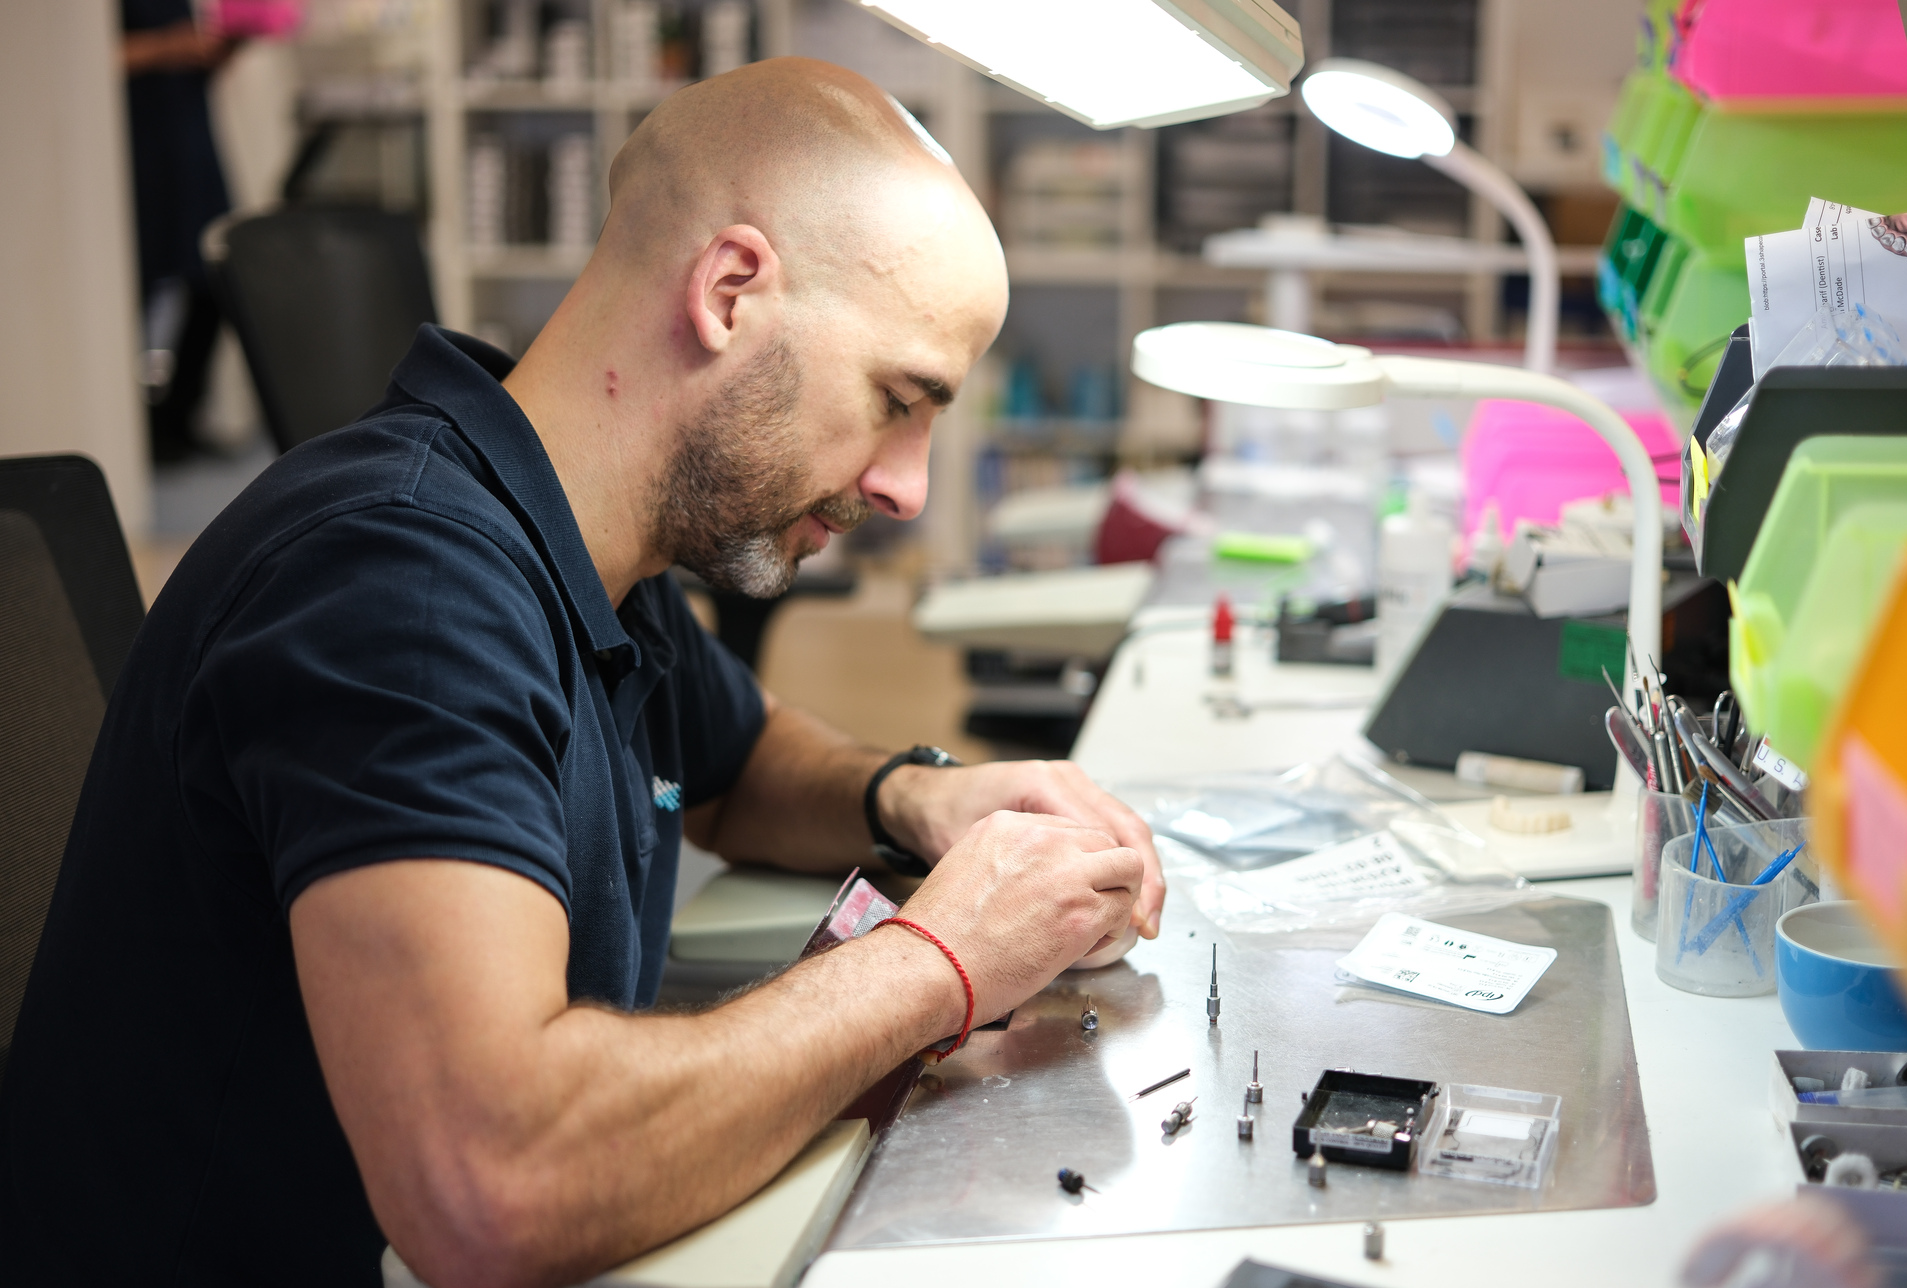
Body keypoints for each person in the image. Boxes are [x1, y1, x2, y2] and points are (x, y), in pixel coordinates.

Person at [0, 58, 1165, 1287]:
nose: (905, 486)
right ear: (728, 292)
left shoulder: (601, 538)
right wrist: (942, 959)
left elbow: (740, 762)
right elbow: (494, 1180)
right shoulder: (401, 586)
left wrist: (911, 795)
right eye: (896, 398)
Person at [120, 0, 238, 462]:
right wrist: (168, 46)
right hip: (141, 149)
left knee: (217, 282)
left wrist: (219, 50)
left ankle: (179, 419)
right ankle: (140, 428)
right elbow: (94, 61)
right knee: (142, 285)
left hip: (190, 143)